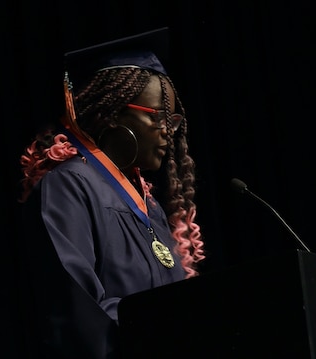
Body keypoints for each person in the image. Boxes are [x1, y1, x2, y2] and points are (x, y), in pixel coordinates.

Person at [17, 27, 205, 359]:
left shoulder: (151, 209)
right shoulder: (70, 187)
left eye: (171, 120)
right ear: (114, 112)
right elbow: (80, 313)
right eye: (156, 117)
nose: (167, 132)